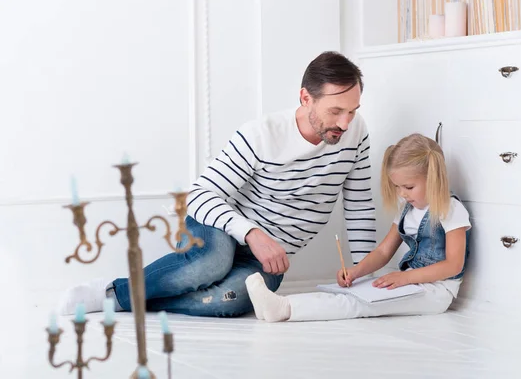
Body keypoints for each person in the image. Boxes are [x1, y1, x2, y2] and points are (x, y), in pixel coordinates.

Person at [58, 51, 377, 317]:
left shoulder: (355, 131)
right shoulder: (262, 135)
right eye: (335, 111)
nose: (345, 123)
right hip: (224, 227)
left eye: (352, 110)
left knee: (232, 300)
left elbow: (359, 204)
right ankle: (112, 293)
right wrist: (253, 233)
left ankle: (134, 299)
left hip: (264, 259)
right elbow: (198, 196)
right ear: (305, 98)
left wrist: (364, 274)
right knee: (210, 264)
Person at [244, 133, 471, 322]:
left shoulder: (450, 209)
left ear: (433, 178)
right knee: (356, 289)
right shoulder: (407, 210)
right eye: (398, 187)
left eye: (408, 187)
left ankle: (285, 308)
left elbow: (453, 265)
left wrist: (406, 278)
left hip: (437, 292)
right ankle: (282, 306)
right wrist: (356, 271)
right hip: (414, 282)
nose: (402, 193)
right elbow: (383, 251)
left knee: (361, 304)